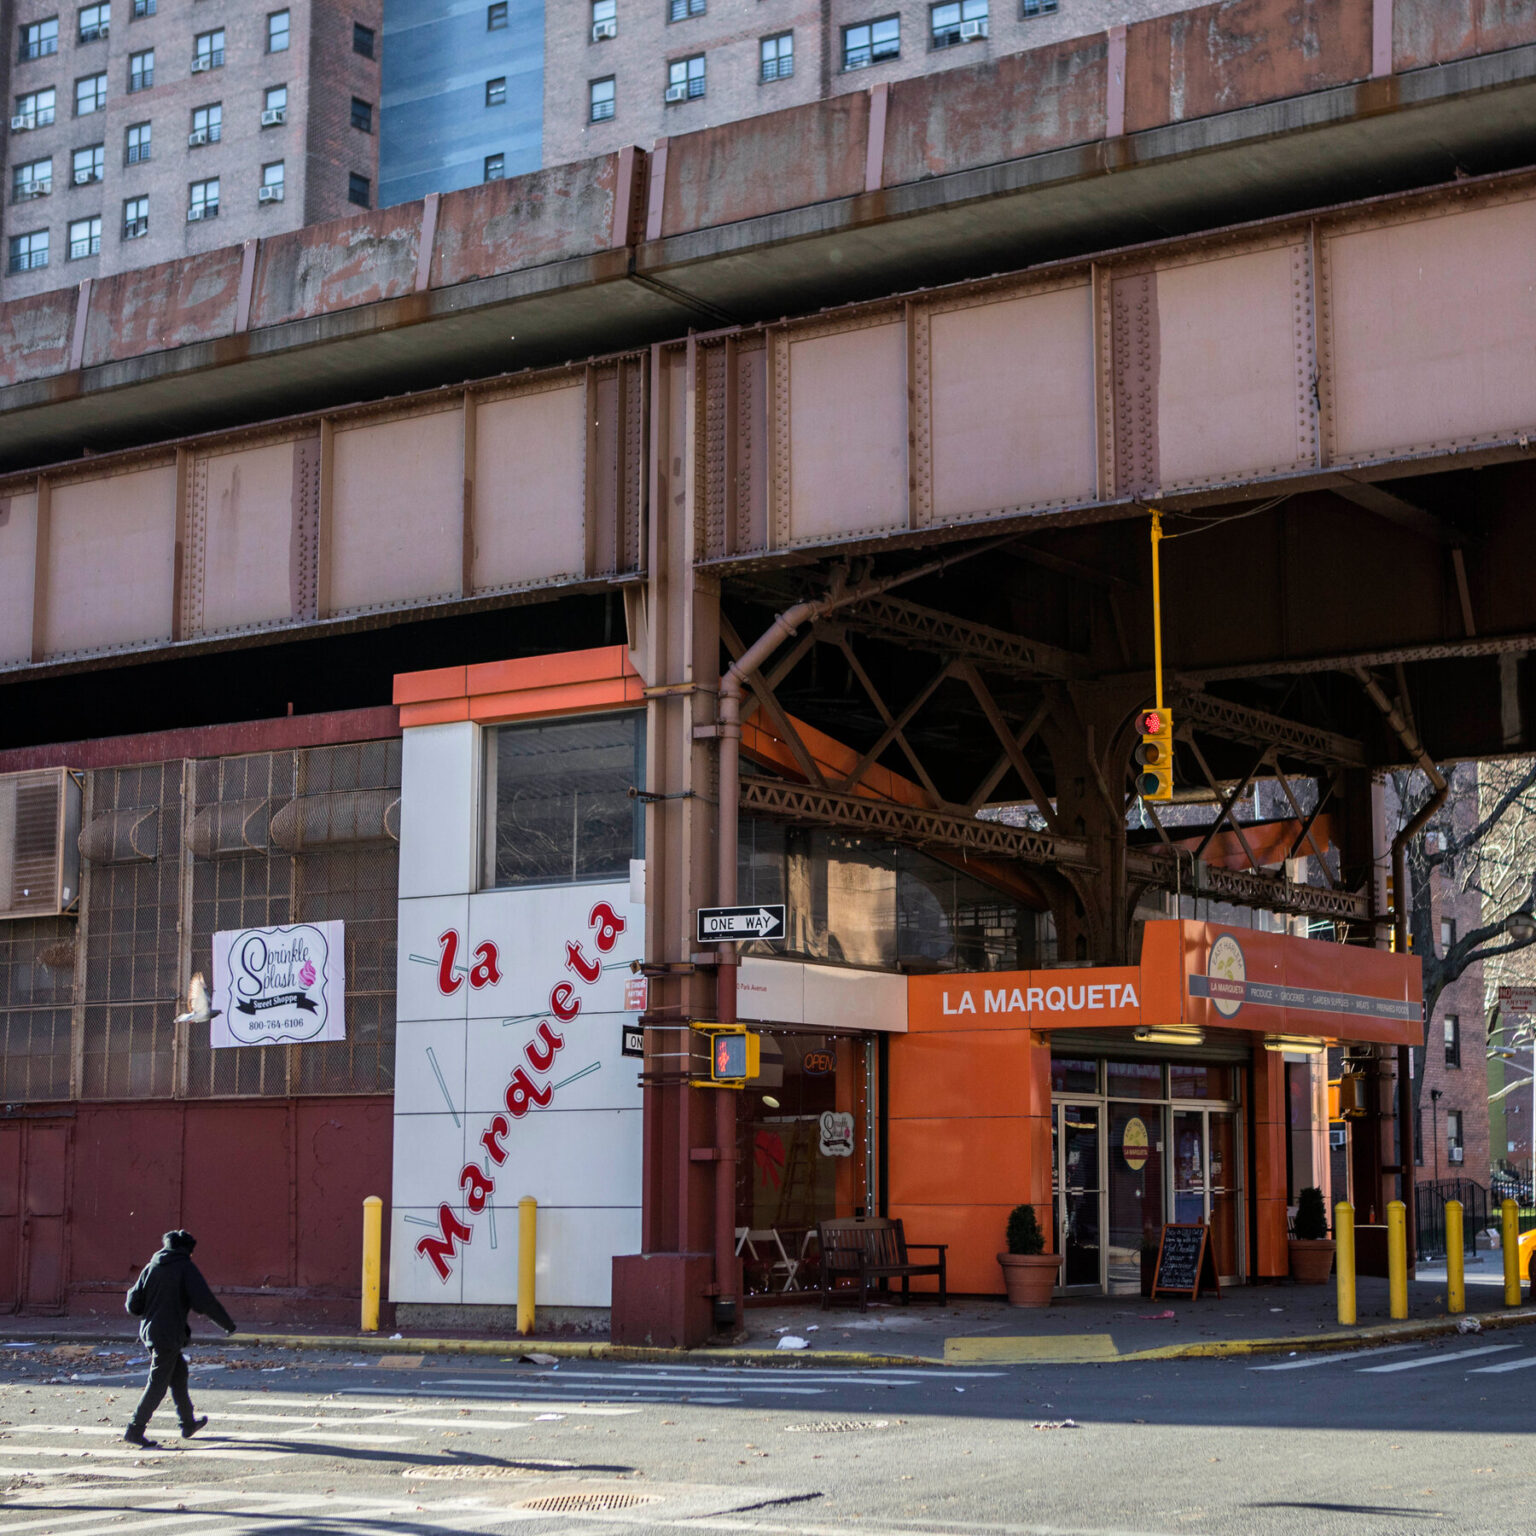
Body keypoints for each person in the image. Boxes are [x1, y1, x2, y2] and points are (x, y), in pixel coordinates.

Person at [123, 1229, 237, 1447]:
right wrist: (227, 1325)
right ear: (187, 1250)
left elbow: (133, 1302)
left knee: (179, 1374)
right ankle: (135, 1429)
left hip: (151, 1331)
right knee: (157, 1383)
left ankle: (187, 1423)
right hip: (168, 1334)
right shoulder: (185, 1267)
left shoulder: (152, 1265)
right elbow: (205, 1302)